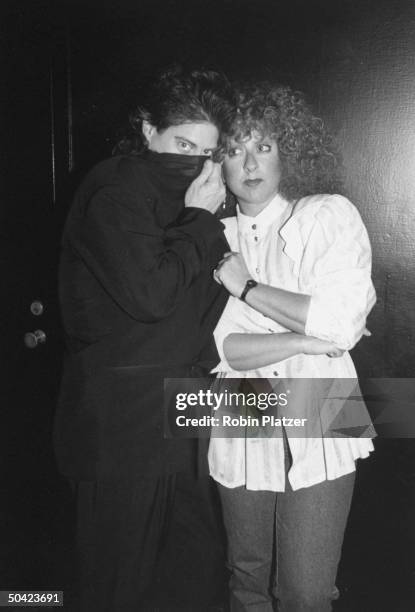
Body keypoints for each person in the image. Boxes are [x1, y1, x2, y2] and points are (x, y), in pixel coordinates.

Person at [54, 67, 236, 611]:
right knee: (118, 588)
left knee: (193, 580)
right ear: (147, 129)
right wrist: (201, 220)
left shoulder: (187, 201)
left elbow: (195, 315)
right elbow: (150, 296)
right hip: (124, 428)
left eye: (207, 152)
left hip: (183, 413)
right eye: (182, 144)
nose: (195, 163)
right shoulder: (118, 186)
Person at [210, 80, 377, 611]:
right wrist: (307, 336)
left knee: (306, 590)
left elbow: (342, 325)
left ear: (289, 152)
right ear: (219, 164)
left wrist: (247, 288)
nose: (250, 163)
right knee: (247, 578)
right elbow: (222, 351)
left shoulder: (328, 214)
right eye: (234, 149)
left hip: (327, 403)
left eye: (264, 145)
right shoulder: (209, 238)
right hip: (241, 405)